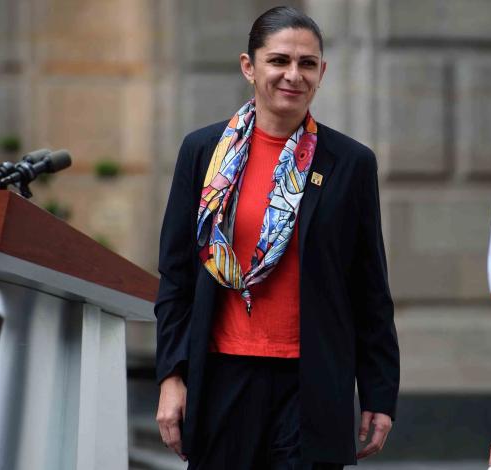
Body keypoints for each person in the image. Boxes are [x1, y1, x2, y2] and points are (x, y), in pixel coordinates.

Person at [153, 7, 399, 469]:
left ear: (322, 72)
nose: (293, 75)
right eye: (279, 61)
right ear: (249, 66)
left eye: (307, 64)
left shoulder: (350, 163)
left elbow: (370, 289)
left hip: (311, 381)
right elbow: (176, 276)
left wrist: (380, 392)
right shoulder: (202, 151)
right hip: (222, 374)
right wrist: (171, 374)